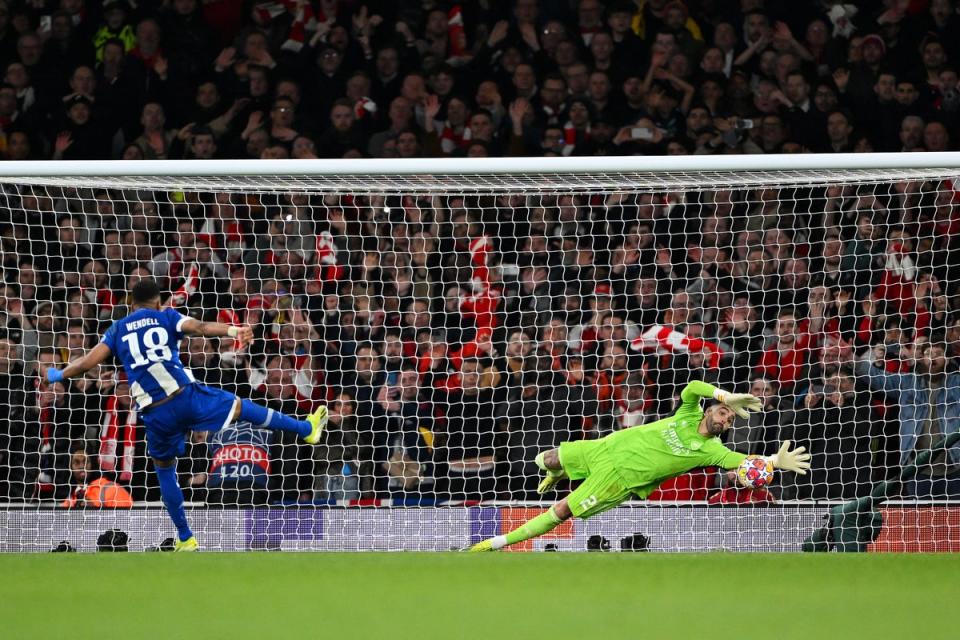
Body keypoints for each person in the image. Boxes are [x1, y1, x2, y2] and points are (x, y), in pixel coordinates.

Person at [44, 279, 327, 551]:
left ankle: (185, 537)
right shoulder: (166, 316)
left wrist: (60, 373)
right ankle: (305, 428)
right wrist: (233, 331)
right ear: (157, 301)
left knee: (164, 469)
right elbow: (200, 327)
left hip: (155, 414)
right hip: (184, 397)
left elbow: (89, 361)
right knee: (241, 407)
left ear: (132, 304)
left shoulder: (118, 328)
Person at [469, 380, 810, 551]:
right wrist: (724, 395)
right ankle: (558, 471)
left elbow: (744, 463)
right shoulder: (689, 412)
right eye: (723, 412)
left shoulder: (711, 450)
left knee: (561, 511)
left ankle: (495, 544)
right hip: (607, 447)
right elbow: (692, 388)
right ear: (711, 410)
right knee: (544, 458)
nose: (726, 419)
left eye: (731, 419)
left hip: (618, 479)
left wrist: (774, 461)